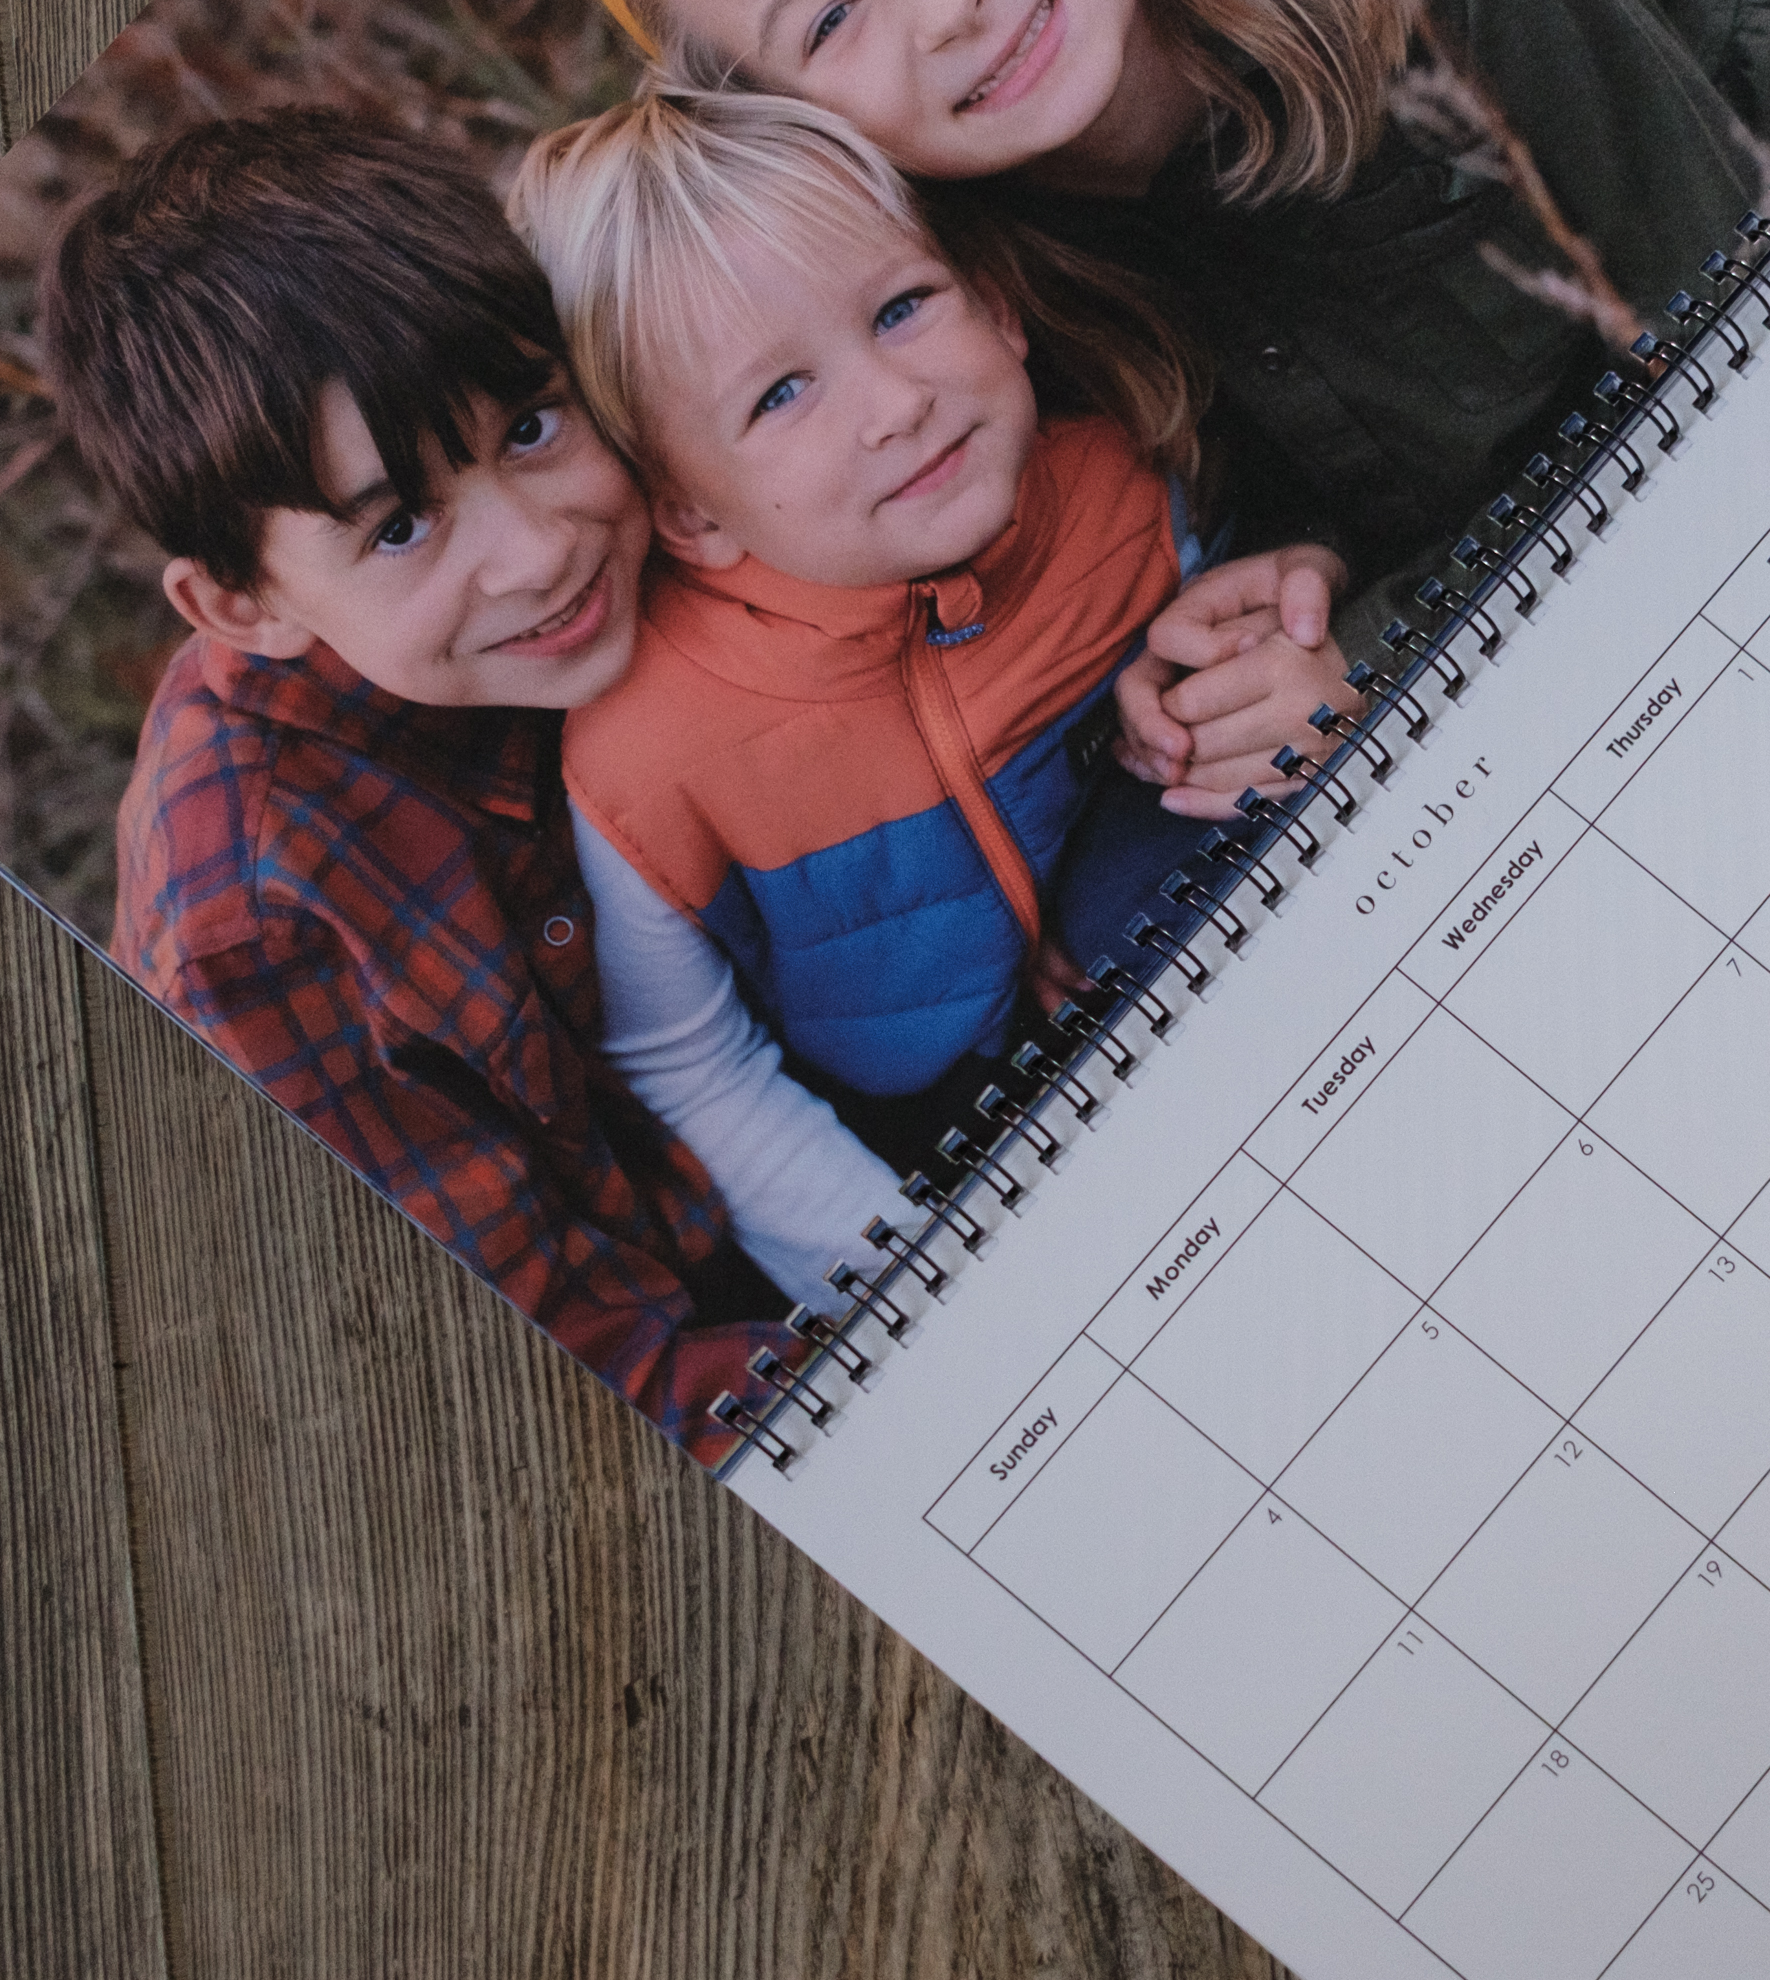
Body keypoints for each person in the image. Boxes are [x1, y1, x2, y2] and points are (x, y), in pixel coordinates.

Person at [560, 0, 1770, 800]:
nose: (943, 5)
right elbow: (1368, 444)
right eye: (831, 22)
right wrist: (1292, 589)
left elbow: (1763, 377)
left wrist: (1385, 648)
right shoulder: (963, 281)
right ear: (794, 125)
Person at [45, 105, 896, 1455]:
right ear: (243, 604)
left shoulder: (671, 482)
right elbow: (588, 1377)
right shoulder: (259, 933)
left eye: (534, 425)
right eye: (399, 527)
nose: (533, 551)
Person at [511, 85, 1292, 1177]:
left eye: (899, 310)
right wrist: (897, 1265)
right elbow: (692, 1069)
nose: (893, 403)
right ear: (686, 508)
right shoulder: (649, 749)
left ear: (996, 308)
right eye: (780, 394)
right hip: (917, 1126)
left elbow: (1254, 644)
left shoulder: (1123, 482)